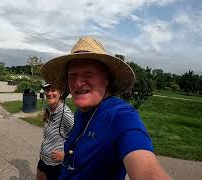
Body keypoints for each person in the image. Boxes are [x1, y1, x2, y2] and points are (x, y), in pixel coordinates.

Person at [41, 37, 171, 179]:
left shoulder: (121, 116)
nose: (77, 83)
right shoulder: (81, 112)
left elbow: (147, 172)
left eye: (88, 73)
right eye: (72, 75)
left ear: (107, 79)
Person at [37, 83, 74, 180]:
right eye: (47, 90)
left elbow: (79, 137)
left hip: (55, 165)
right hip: (44, 159)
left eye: (53, 90)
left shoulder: (65, 113)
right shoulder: (49, 108)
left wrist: (66, 154)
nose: (49, 93)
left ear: (60, 92)